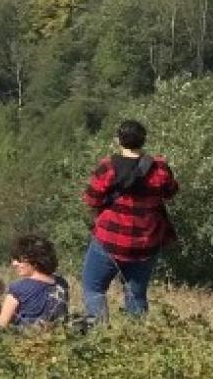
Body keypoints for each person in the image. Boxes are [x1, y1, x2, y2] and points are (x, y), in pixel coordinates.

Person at [79, 120, 179, 325]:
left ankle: (99, 334)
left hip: (109, 240)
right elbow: (171, 192)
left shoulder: (108, 167)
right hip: (145, 243)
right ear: (143, 140)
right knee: (136, 294)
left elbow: (91, 198)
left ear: (118, 140)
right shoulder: (159, 167)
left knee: (94, 288)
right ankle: (135, 339)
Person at [0, 234, 71, 329]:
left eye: (19, 260)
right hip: (59, 336)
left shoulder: (18, 288)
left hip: (26, 339)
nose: (14, 264)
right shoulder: (62, 283)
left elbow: (1, 324)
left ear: (34, 262)